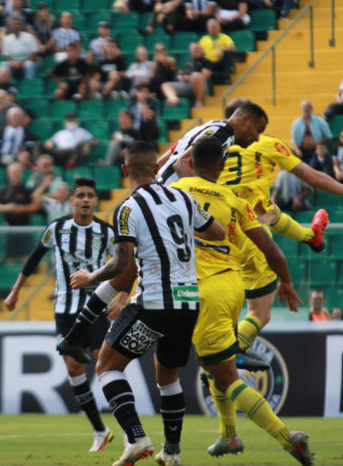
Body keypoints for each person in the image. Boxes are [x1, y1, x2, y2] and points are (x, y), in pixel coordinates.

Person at [57, 140, 225, 466]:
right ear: (156, 167)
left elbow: (121, 264)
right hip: (188, 302)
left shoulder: (128, 208)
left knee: (107, 367)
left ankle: (136, 438)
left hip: (155, 303)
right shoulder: (183, 197)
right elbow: (217, 232)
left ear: (125, 170)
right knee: (168, 378)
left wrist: (90, 277)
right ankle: (172, 453)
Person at [169, 138, 312, 465]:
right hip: (232, 287)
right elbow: (272, 251)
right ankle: (229, 435)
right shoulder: (235, 200)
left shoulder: (176, 191)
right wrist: (286, 282)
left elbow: (175, 172)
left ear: (189, 163)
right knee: (212, 367)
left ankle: (286, 438)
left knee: (226, 376)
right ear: (222, 166)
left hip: (200, 290)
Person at [214, 98, 343, 351]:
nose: (257, 134)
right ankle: (229, 356)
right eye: (257, 129)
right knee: (259, 312)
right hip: (250, 235)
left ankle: (309, 235)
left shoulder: (209, 144)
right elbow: (311, 176)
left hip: (214, 233)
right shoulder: (266, 143)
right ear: (245, 119)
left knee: (269, 209)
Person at [3, 177, 116, 453]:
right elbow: (34, 258)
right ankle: (100, 430)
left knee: (105, 366)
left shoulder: (106, 232)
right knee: (73, 368)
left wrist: (122, 297)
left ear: (96, 201)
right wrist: (15, 291)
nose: (86, 200)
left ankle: (129, 431)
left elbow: (125, 263)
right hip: (65, 309)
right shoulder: (56, 228)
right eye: (81, 195)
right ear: (72, 200)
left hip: (95, 307)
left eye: (90, 195)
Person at [155, 99, 268, 186]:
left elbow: (161, 162)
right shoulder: (221, 134)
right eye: (258, 130)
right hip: (169, 197)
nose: (257, 138)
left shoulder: (208, 127)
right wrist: (194, 199)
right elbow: (182, 162)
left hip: (161, 192)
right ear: (245, 119)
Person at [160, 42, 211, 108]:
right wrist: (182, 74)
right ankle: (173, 98)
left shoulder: (205, 61)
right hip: (186, 84)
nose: (195, 49)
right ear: (190, 51)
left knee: (196, 75)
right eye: (193, 48)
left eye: (197, 48)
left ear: (201, 50)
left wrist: (190, 78)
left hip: (200, 85)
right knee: (165, 85)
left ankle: (199, 102)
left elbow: (206, 76)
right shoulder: (188, 61)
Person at [199, 19, 236, 84]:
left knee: (229, 53)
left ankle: (226, 77)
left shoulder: (224, 37)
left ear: (219, 28)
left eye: (215, 27)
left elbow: (233, 48)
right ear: (208, 29)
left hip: (221, 62)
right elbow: (199, 52)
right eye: (211, 27)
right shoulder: (204, 39)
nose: (213, 29)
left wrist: (222, 49)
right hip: (209, 64)